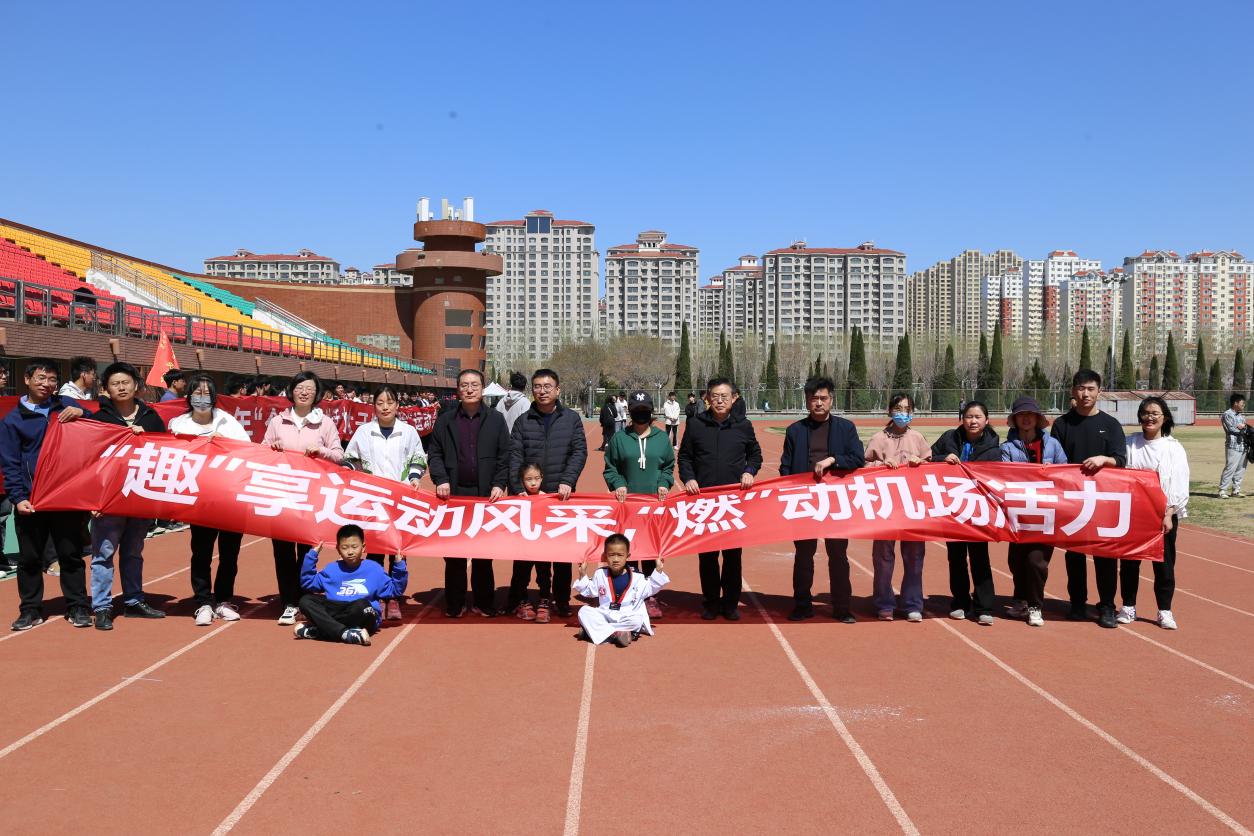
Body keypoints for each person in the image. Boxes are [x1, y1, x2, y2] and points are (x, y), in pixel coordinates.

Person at [0, 358, 91, 630]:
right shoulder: (13, 420)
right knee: (30, 559)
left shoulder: (65, 406)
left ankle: (77, 606)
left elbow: (98, 426)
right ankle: (30, 610)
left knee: (70, 555)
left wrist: (82, 413)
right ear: (27, 379)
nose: (47, 384)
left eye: (52, 379)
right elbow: (10, 463)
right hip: (32, 500)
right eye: (41, 378)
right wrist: (18, 497)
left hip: (65, 497)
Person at [84, 362, 168, 630]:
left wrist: (147, 438)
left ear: (136, 385)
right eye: (115, 384)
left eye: (125, 382)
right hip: (108, 500)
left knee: (133, 552)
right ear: (106, 389)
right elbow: (90, 461)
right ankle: (102, 607)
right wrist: (93, 499)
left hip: (139, 497)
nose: (121, 387)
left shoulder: (151, 418)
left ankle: (133, 601)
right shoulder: (99, 419)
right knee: (103, 555)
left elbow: (164, 455)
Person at [168, 374, 252, 626]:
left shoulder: (229, 423)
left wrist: (223, 445)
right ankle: (203, 602)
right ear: (189, 396)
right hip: (199, 501)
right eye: (197, 393)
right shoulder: (178, 424)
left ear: (215, 397)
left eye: (207, 393)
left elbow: (248, 453)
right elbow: (169, 456)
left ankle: (224, 600)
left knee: (229, 553)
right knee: (201, 553)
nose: (202, 398)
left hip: (229, 499)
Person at [427, 368, 511, 617]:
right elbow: (435, 454)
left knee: (484, 552)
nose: (470, 389)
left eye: (475, 385)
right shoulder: (445, 421)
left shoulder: (496, 419)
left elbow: (504, 456)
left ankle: (484, 601)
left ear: (482, 389)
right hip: (453, 495)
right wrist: (441, 479)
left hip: (486, 495)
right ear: (458, 390)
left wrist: (499, 483)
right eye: (465, 385)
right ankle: (455, 602)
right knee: (454, 552)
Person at [262, 371, 344, 626]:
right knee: (283, 551)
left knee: (307, 551)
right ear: (292, 391)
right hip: (282, 495)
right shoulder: (278, 421)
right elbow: (261, 452)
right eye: (299, 387)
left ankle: (304, 598)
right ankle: (289, 602)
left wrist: (322, 451)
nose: (304, 392)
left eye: (309, 388)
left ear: (317, 393)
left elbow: (340, 455)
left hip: (312, 497)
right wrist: (271, 449)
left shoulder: (325, 423)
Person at [780, 376, 864, 623]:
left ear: (831, 400)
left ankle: (842, 608)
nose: (819, 403)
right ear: (807, 400)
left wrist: (833, 460)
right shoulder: (795, 431)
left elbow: (857, 458)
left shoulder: (846, 428)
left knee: (838, 555)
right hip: (804, 501)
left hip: (835, 502)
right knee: (803, 555)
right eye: (814, 398)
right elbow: (785, 467)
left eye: (823, 398)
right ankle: (802, 605)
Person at [678, 377, 762, 621]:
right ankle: (711, 602)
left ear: (734, 398)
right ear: (707, 398)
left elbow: (755, 455)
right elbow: (685, 457)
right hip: (704, 501)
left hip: (733, 503)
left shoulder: (743, 425)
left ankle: (731, 603)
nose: (720, 400)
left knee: (733, 556)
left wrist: (749, 471)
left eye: (725, 396)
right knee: (707, 556)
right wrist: (689, 478)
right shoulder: (695, 424)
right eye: (715, 396)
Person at [506, 368, 588, 618]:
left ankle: (560, 599)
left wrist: (567, 481)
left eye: (547, 386)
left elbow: (579, 452)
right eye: (537, 387)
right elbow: (515, 456)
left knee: (561, 553)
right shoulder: (523, 421)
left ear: (557, 390)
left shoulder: (571, 419)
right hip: (530, 500)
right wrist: (518, 489)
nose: (542, 391)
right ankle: (520, 597)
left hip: (560, 498)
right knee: (526, 552)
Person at [1049, 369, 1126, 628]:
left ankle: (1107, 606)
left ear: (1099, 392)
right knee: (1074, 555)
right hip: (1072, 500)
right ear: (1073, 391)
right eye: (1081, 389)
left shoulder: (1111, 424)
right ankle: (1077, 603)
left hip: (1104, 500)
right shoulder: (1062, 425)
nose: (1085, 394)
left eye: (1091, 389)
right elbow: (1054, 462)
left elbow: (1121, 460)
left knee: (1106, 556)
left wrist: (1105, 459)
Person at [343, 385, 427, 621]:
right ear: (374, 407)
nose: (385, 407)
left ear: (397, 405)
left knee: (398, 550)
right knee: (375, 550)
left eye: (390, 402)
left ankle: (394, 597)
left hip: (401, 500)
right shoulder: (364, 432)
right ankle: (377, 596)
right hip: (373, 500)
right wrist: (347, 470)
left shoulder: (408, 432)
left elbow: (418, 458)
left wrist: (414, 477)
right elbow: (351, 458)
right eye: (380, 403)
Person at [1118, 396, 1189, 630]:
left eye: (1155, 413)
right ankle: (1128, 606)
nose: (1149, 417)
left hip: (1162, 515)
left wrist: (1169, 513)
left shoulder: (1173, 448)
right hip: (1134, 514)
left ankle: (1165, 610)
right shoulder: (1129, 443)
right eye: (1145, 413)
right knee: (1130, 563)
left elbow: (1179, 484)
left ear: (1164, 418)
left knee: (1164, 564)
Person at [603, 390, 674, 620]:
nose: (641, 415)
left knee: (652, 550)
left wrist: (664, 483)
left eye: (645, 411)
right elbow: (610, 468)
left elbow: (668, 467)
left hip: (654, 506)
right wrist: (618, 484)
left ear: (651, 412)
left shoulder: (661, 438)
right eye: (636, 411)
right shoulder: (619, 439)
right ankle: (630, 594)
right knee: (631, 550)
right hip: (627, 506)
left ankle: (650, 596)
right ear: (630, 412)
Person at [1000, 396, 1068, 627]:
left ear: (1038, 419)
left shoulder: (1053, 445)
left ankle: (1035, 606)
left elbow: (1066, 471)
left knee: (1036, 560)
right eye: (1021, 415)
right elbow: (1004, 474)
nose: (1026, 418)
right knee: (1016, 560)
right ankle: (1020, 600)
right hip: (1018, 512)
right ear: (1015, 419)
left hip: (1046, 510)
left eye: (1031, 414)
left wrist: (1053, 471)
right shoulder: (1007, 447)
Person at [931, 400, 1001, 626]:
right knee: (956, 558)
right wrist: (943, 459)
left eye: (978, 417)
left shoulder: (994, 447)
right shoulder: (949, 438)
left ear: (986, 420)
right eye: (969, 416)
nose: (973, 421)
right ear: (962, 419)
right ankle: (960, 602)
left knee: (980, 558)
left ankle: (984, 607)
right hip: (953, 508)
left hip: (979, 510)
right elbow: (929, 458)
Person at [864, 392, 931, 622]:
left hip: (913, 506)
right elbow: (863, 467)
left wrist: (921, 463)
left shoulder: (918, 438)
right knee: (883, 556)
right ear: (890, 411)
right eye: (898, 409)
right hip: (885, 506)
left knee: (915, 555)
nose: (903, 413)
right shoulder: (878, 439)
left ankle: (912, 603)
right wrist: (880, 464)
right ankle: (884, 602)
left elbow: (932, 467)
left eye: (907, 409)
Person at [295, 525, 407, 645]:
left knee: (362, 605)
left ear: (363, 547)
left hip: (362, 613)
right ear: (338, 549)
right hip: (337, 610)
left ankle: (322, 630)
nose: (350, 552)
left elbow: (395, 589)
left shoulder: (374, 569)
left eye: (354, 547)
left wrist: (399, 565)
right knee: (306, 601)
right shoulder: (332, 569)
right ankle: (345, 633)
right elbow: (308, 583)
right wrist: (311, 556)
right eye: (345, 548)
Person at [572, 533, 669, 647]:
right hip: (606, 614)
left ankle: (593, 632)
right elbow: (589, 591)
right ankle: (617, 634)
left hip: (627, 616)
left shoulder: (637, 577)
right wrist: (582, 574)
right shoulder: (600, 574)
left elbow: (651, 588)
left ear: (628, 556)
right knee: (584, 612)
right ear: (605, 556)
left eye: (620, 555)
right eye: (611, 555)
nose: (616, 559)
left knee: (637, 620)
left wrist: (658, 570)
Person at [510, 462, 554, 623]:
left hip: (542, 546)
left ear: (542, 477)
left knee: (544, 574)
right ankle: (522, 601)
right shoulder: (517, 498)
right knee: (521, 574)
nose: (533, 483)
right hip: (523, 546)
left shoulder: (548, 498)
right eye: (529, 479)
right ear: (522, 480)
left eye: (536, 478)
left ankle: (544, 600)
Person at [1219, 392, 1250, 498]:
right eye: (1242, 403)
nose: (1243, 405)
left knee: (1241, 468)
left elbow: (1245, 428)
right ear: (1236, 403)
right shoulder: (1227, 414)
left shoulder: (1241, 416)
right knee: (1230, 468)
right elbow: (1230, 429)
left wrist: (1244, 429)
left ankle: (1236, 490)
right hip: (1232, 445)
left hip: (1243, 445)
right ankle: (1222, 490)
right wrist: (1241, 428)